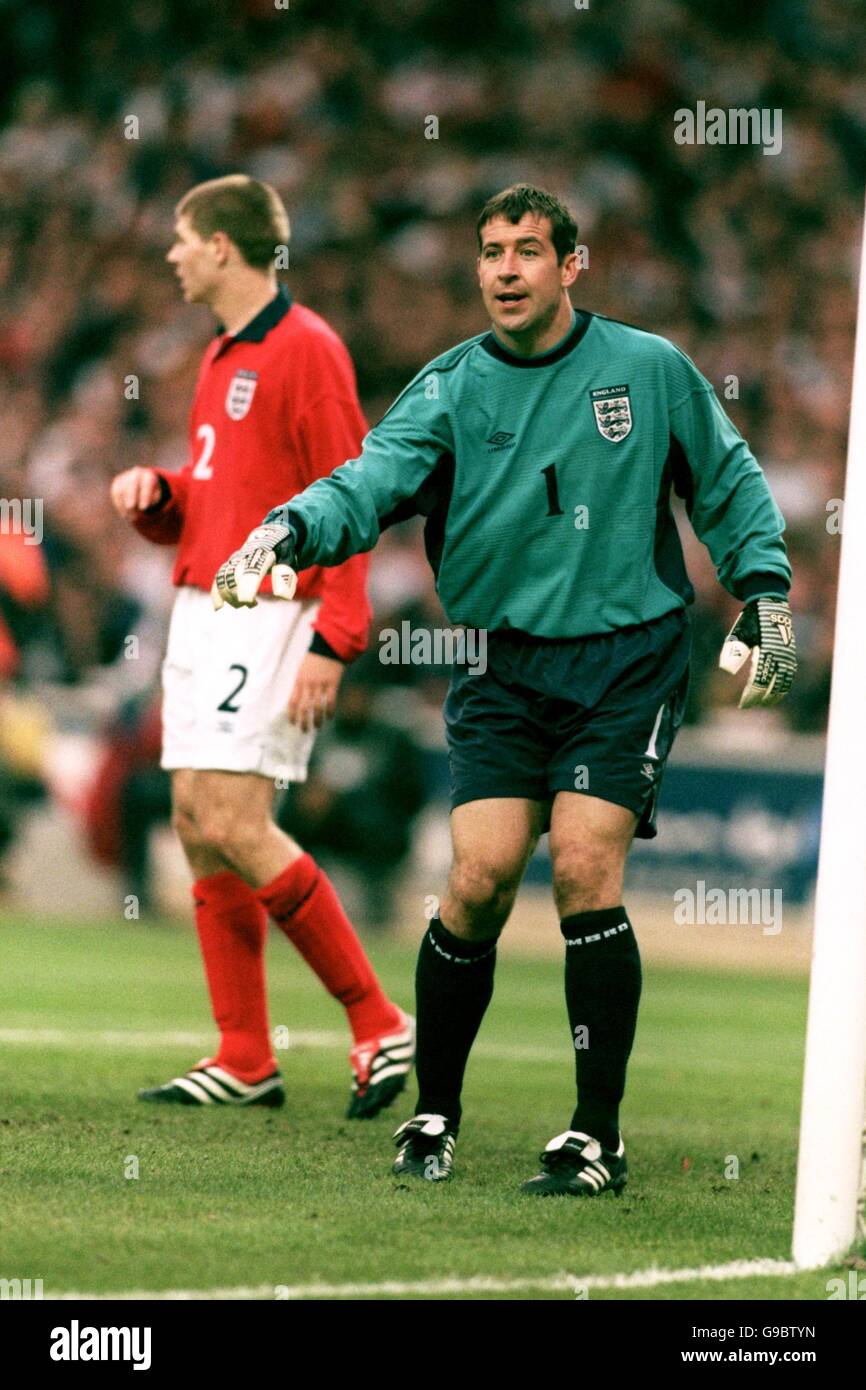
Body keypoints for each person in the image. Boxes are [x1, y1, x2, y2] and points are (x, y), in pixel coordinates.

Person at [211, 183, 796, 1190]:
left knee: (580, 867)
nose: (506, 269)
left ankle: (593, 1135)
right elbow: (369, 479)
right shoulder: (447, 389)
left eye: (527, 249)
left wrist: (765, 595)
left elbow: (729, 481)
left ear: (572, 265)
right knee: (475, 878)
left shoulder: (648, 369)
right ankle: (433, 1114)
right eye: (490, 251)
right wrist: (287, 526)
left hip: (626, 656)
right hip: (501, 662)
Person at [110, 175, 414, 1116]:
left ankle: (377, 1020)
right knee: (197, 821)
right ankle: (245, 1054)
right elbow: (228, 500)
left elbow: (354, 496)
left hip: (273, 610)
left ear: (225, 247)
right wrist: (165, 499)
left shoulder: (307, 350)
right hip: (206, 602)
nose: (172, 253)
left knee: (236, 819)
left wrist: (335, 635)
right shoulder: (221, 356)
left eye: (183, 237)